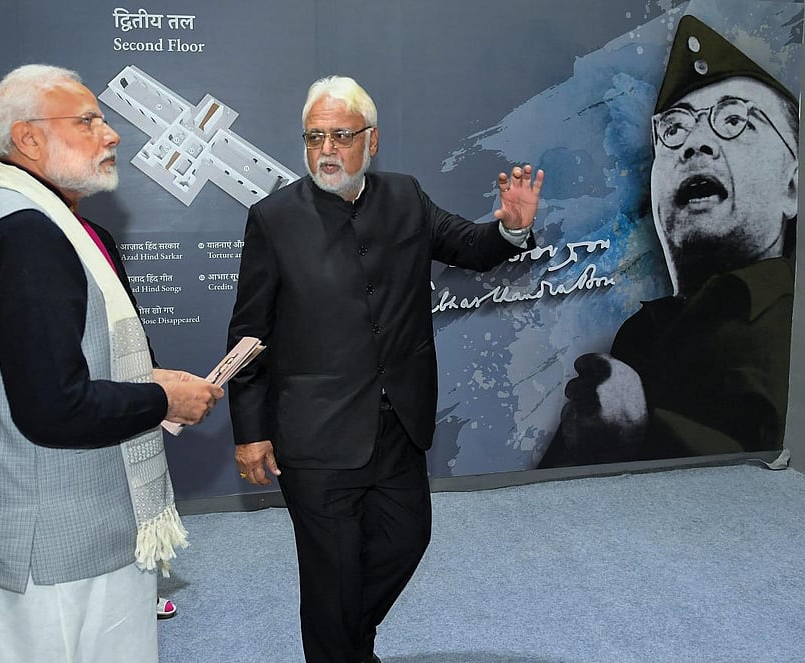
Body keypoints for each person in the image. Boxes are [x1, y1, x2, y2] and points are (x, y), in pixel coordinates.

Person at [227, 75, 544, 663]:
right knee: (331, 572)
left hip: (398, 423)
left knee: (404, 541)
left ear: (371, 141)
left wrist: (512, 228)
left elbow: (471, 248)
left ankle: (345, 643)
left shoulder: (406, 197)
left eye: (341, 136)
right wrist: (250, 431)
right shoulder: (272, 218)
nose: (326, 150)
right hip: (315, 435)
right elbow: (250, 335)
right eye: (314, 136)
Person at [0, 64, 223, 662]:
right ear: (28, 139)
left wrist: (145, 380)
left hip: (22, 530)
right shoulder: (28, 233)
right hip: (48, 550)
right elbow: (54, 408)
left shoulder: (0, 214)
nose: (111, 134)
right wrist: (163, 400)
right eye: (87, 121)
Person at [542, 15, 798, 467]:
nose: (693, 144)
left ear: (793, 186)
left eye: (734, 119)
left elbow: (767, 470)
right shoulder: (640, 335)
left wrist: (640, 430)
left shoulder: (786, 320)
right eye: (674, 129)